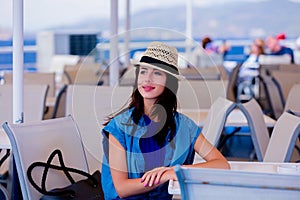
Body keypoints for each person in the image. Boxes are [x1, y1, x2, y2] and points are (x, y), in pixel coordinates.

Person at [101, 41, 230, 199]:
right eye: (143, 72)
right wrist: (165, 176)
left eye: (157, 73)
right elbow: (122, 188)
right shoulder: (120, 127)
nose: (147, 79)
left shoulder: (184, 126)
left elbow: (221, 164)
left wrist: (174, 171)